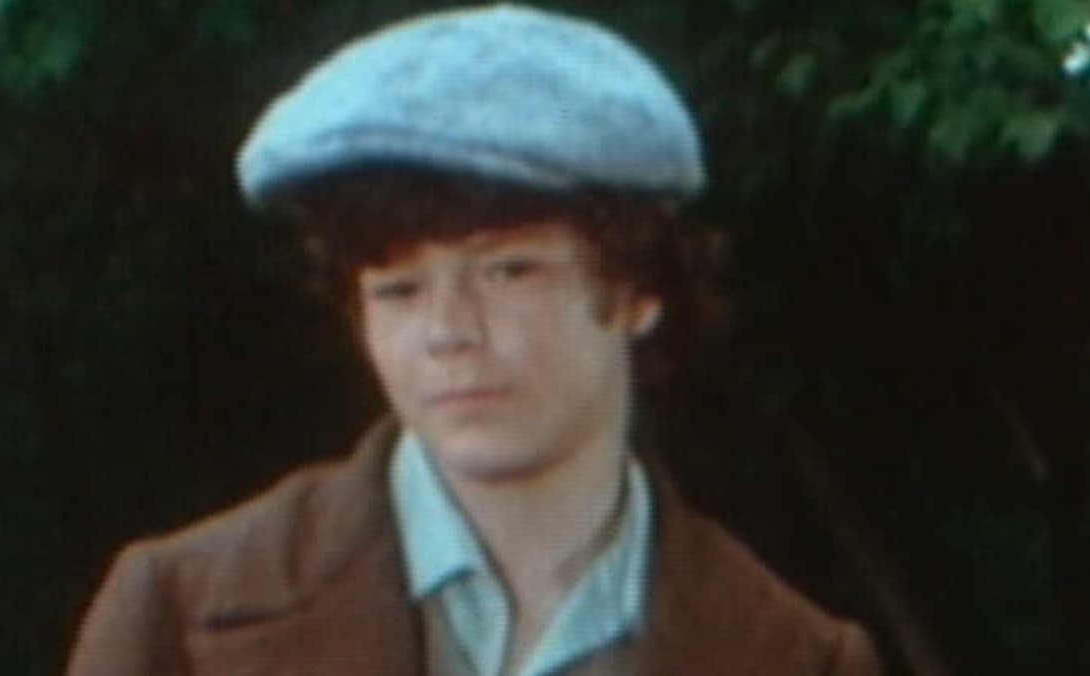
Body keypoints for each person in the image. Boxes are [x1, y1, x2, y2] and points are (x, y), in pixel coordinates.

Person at [66, 5, 879, 675]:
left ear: (640, 291)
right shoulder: (178, 610)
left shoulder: (798, 658)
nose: (449, 332)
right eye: (398, 289)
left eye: (508, 272)